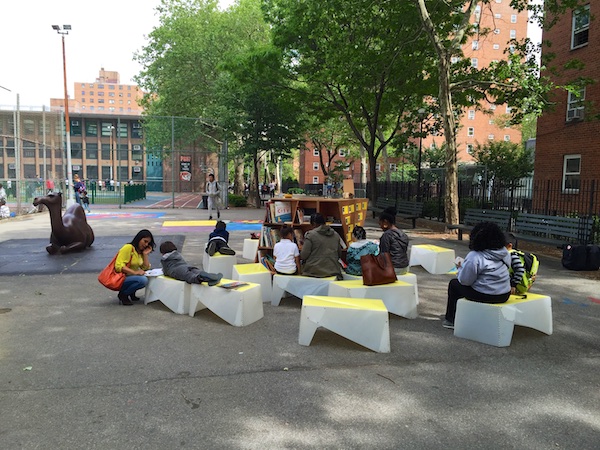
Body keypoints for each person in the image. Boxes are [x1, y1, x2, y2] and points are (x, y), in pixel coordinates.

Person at [442, 221, 512, 329]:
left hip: (485, 294)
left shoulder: (475, 256)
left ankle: (451, 319)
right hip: (504, 294)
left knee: (454, 284)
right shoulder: (504, 252)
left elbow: (465, 281)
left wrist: (460, 269)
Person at [114, 229, 155, 306]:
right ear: (139, 239)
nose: (146, 245)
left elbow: (145, 268)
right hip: (121, 277)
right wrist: (135, 272)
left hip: (131, 276)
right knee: (143, 280)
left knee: (148, 278)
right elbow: (118, 266)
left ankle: (131, 292)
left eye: (148, 243)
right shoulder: (128, 248)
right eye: (145, 241)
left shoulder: (140, 251)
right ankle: (123, 294)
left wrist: (145, 254)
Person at [300, 213, 342, 278]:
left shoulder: (310, 235)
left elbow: (304, 255)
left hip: (313, 272)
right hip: (333, 271)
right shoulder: (336, 235)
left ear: (313, 224)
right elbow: (339, 254)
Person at [378, 207, 409, 275]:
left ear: (385, 222)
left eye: (380, 223)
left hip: (394, 268)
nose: (380, 226)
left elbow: (384, 254)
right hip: (405, 266)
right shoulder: (403, 234)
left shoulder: (386, 235)